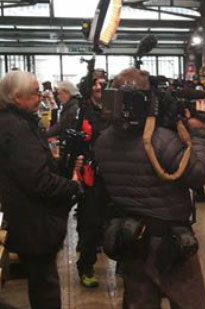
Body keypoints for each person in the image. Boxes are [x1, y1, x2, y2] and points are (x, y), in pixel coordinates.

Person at [94, 67, 205, 308]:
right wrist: (198, 134)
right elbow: (197, 175)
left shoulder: (104, 139)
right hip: (169, 241)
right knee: (190, 301)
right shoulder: (161, 140)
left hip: (131, 238)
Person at [0, 71, 82, 309]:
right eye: (35, 93)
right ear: (17, 98)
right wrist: (72, 187)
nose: (41, 97)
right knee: (45, 285)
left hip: (28, 216)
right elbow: (37, 180)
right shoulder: (17, 129)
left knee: (42, 281)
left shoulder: (17, 122)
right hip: (33, 220)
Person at [76, 69, 110, 288]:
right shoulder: (82, 112)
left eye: (102, 84)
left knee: (118, 218)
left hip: (114, 173)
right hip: (92, 175)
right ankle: (85, 266)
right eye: (95, 84)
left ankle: (125, 266)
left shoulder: (113, 109)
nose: (99, 87)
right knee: (92, 222)